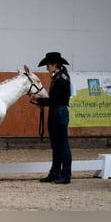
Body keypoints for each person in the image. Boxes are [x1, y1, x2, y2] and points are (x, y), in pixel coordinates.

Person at [32, 52, 72, 184]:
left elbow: (56, 99)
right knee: (56, 145)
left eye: (48, 65)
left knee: (63, 145)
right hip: (55, 112)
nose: (47, 68)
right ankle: (54, 172)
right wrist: (42, 101)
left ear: (54, 64)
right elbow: (54, 100)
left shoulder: (62, 79)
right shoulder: (57, 77)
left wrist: (41, 101)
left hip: (59, 112)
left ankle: (65, 174)